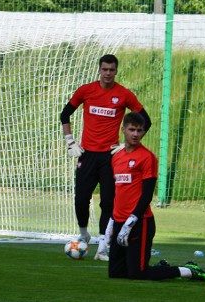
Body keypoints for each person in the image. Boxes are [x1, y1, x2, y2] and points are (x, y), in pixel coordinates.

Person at [61, 54, 151, 261]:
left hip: (111, 157)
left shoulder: (124, 94)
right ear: (99, 70)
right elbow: (65, 114)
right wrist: (70, 141)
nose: (108, 73)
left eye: (112, 70)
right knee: (81, 198)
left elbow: (145, 121)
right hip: (87, 154)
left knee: (109, 202)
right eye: (105, 69)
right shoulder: (86, 91)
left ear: (116, 71)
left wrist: (125, 144)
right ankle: (84, 234)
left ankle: (103, 246)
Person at [107, 112, 205, 283]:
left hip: (139, 222)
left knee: (138, 274)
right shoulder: (117, 157)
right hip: (120, 221)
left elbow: (147, 194)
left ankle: (189, 271)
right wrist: (112, 221)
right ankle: (162, 267)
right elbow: (118, 191)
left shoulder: (147, 157)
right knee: (115, 272)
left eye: (139, 130)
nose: (135, 134)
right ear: (123, 130)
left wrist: (132, 220)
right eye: (132, 129)